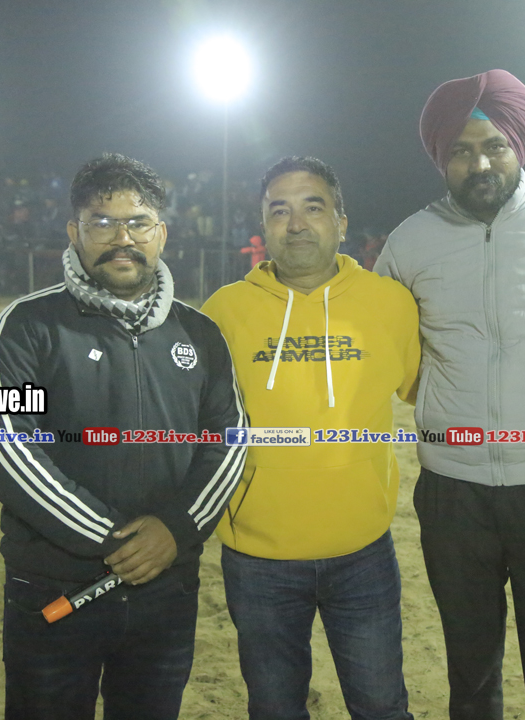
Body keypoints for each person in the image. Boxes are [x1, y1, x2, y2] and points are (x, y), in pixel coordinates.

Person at [374, 69, 525, 720]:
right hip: (453, 492)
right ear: (440, 157)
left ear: (521, 144)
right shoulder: (409, 242)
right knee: (470, 665)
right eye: (460, 150)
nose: (479, 163)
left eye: (494, 146)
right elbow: (386, 349)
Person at [0, 153, 247, 719]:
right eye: (102, 222)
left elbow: (229, 441)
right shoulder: (24, 325)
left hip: (166, 589)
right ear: (74, 233)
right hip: (53, 587)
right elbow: (4, 447)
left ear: (161, 234)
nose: (123, 239)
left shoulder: (202, 333)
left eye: (138, 222)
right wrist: (112, 539)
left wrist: (176, 529)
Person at [201, 156, 420, 720]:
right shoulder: (222, 312)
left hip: (362, 552)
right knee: (274, 707)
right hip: (257, 558)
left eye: (312, 207)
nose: (296, 223)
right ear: (264, 226)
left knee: (381, 705)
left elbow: (430, 393)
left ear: (341, 222)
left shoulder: (391, 304)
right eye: (280, 211)